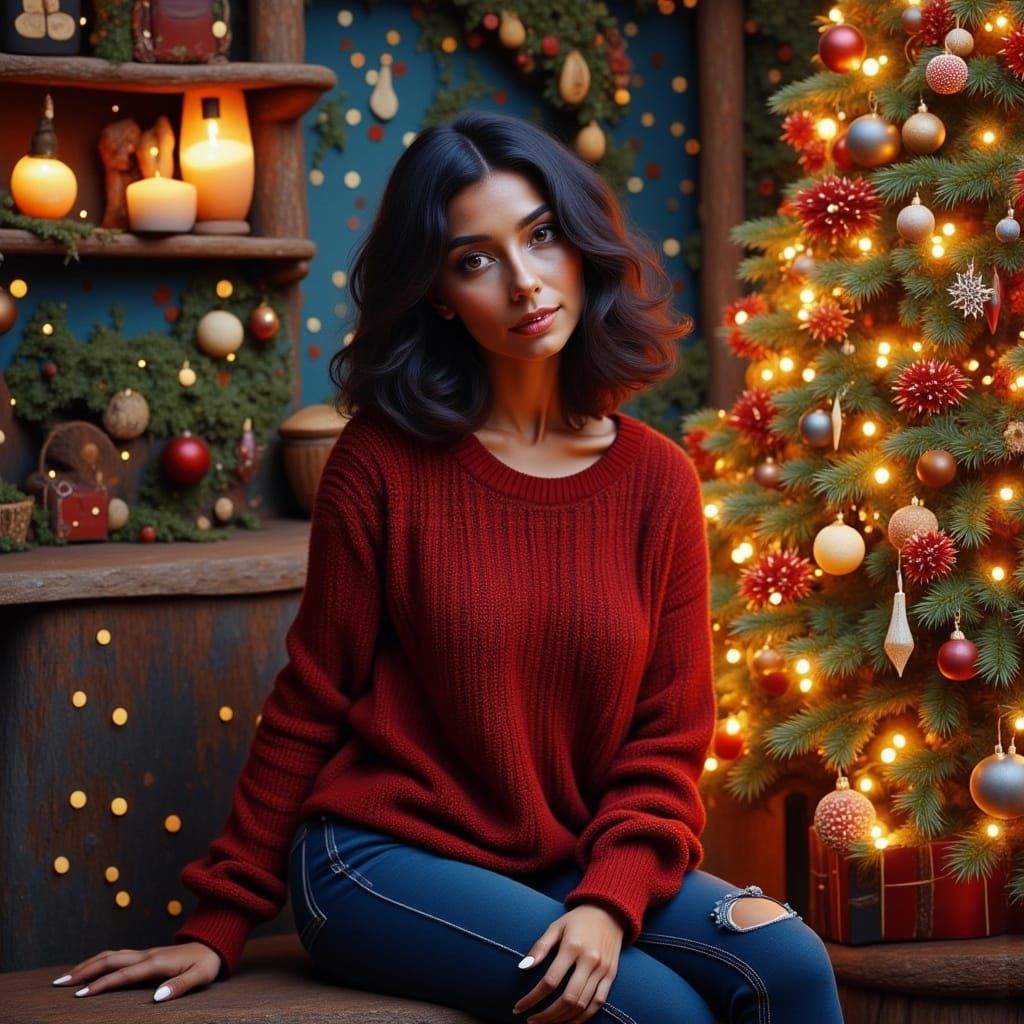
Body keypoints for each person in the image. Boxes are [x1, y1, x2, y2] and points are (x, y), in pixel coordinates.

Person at [53, 110, 844, 1023]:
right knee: (661, 1013)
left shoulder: (657, 478)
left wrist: (607, 894)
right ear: (437, 294)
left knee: (789, 966)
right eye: (475, 260)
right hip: (377, 860)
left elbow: (666, 739)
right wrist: (219, 920)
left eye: (541, 236)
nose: (524, 281)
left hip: (566, 853)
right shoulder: (381, 464)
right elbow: (311, 699)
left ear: (579, 241)